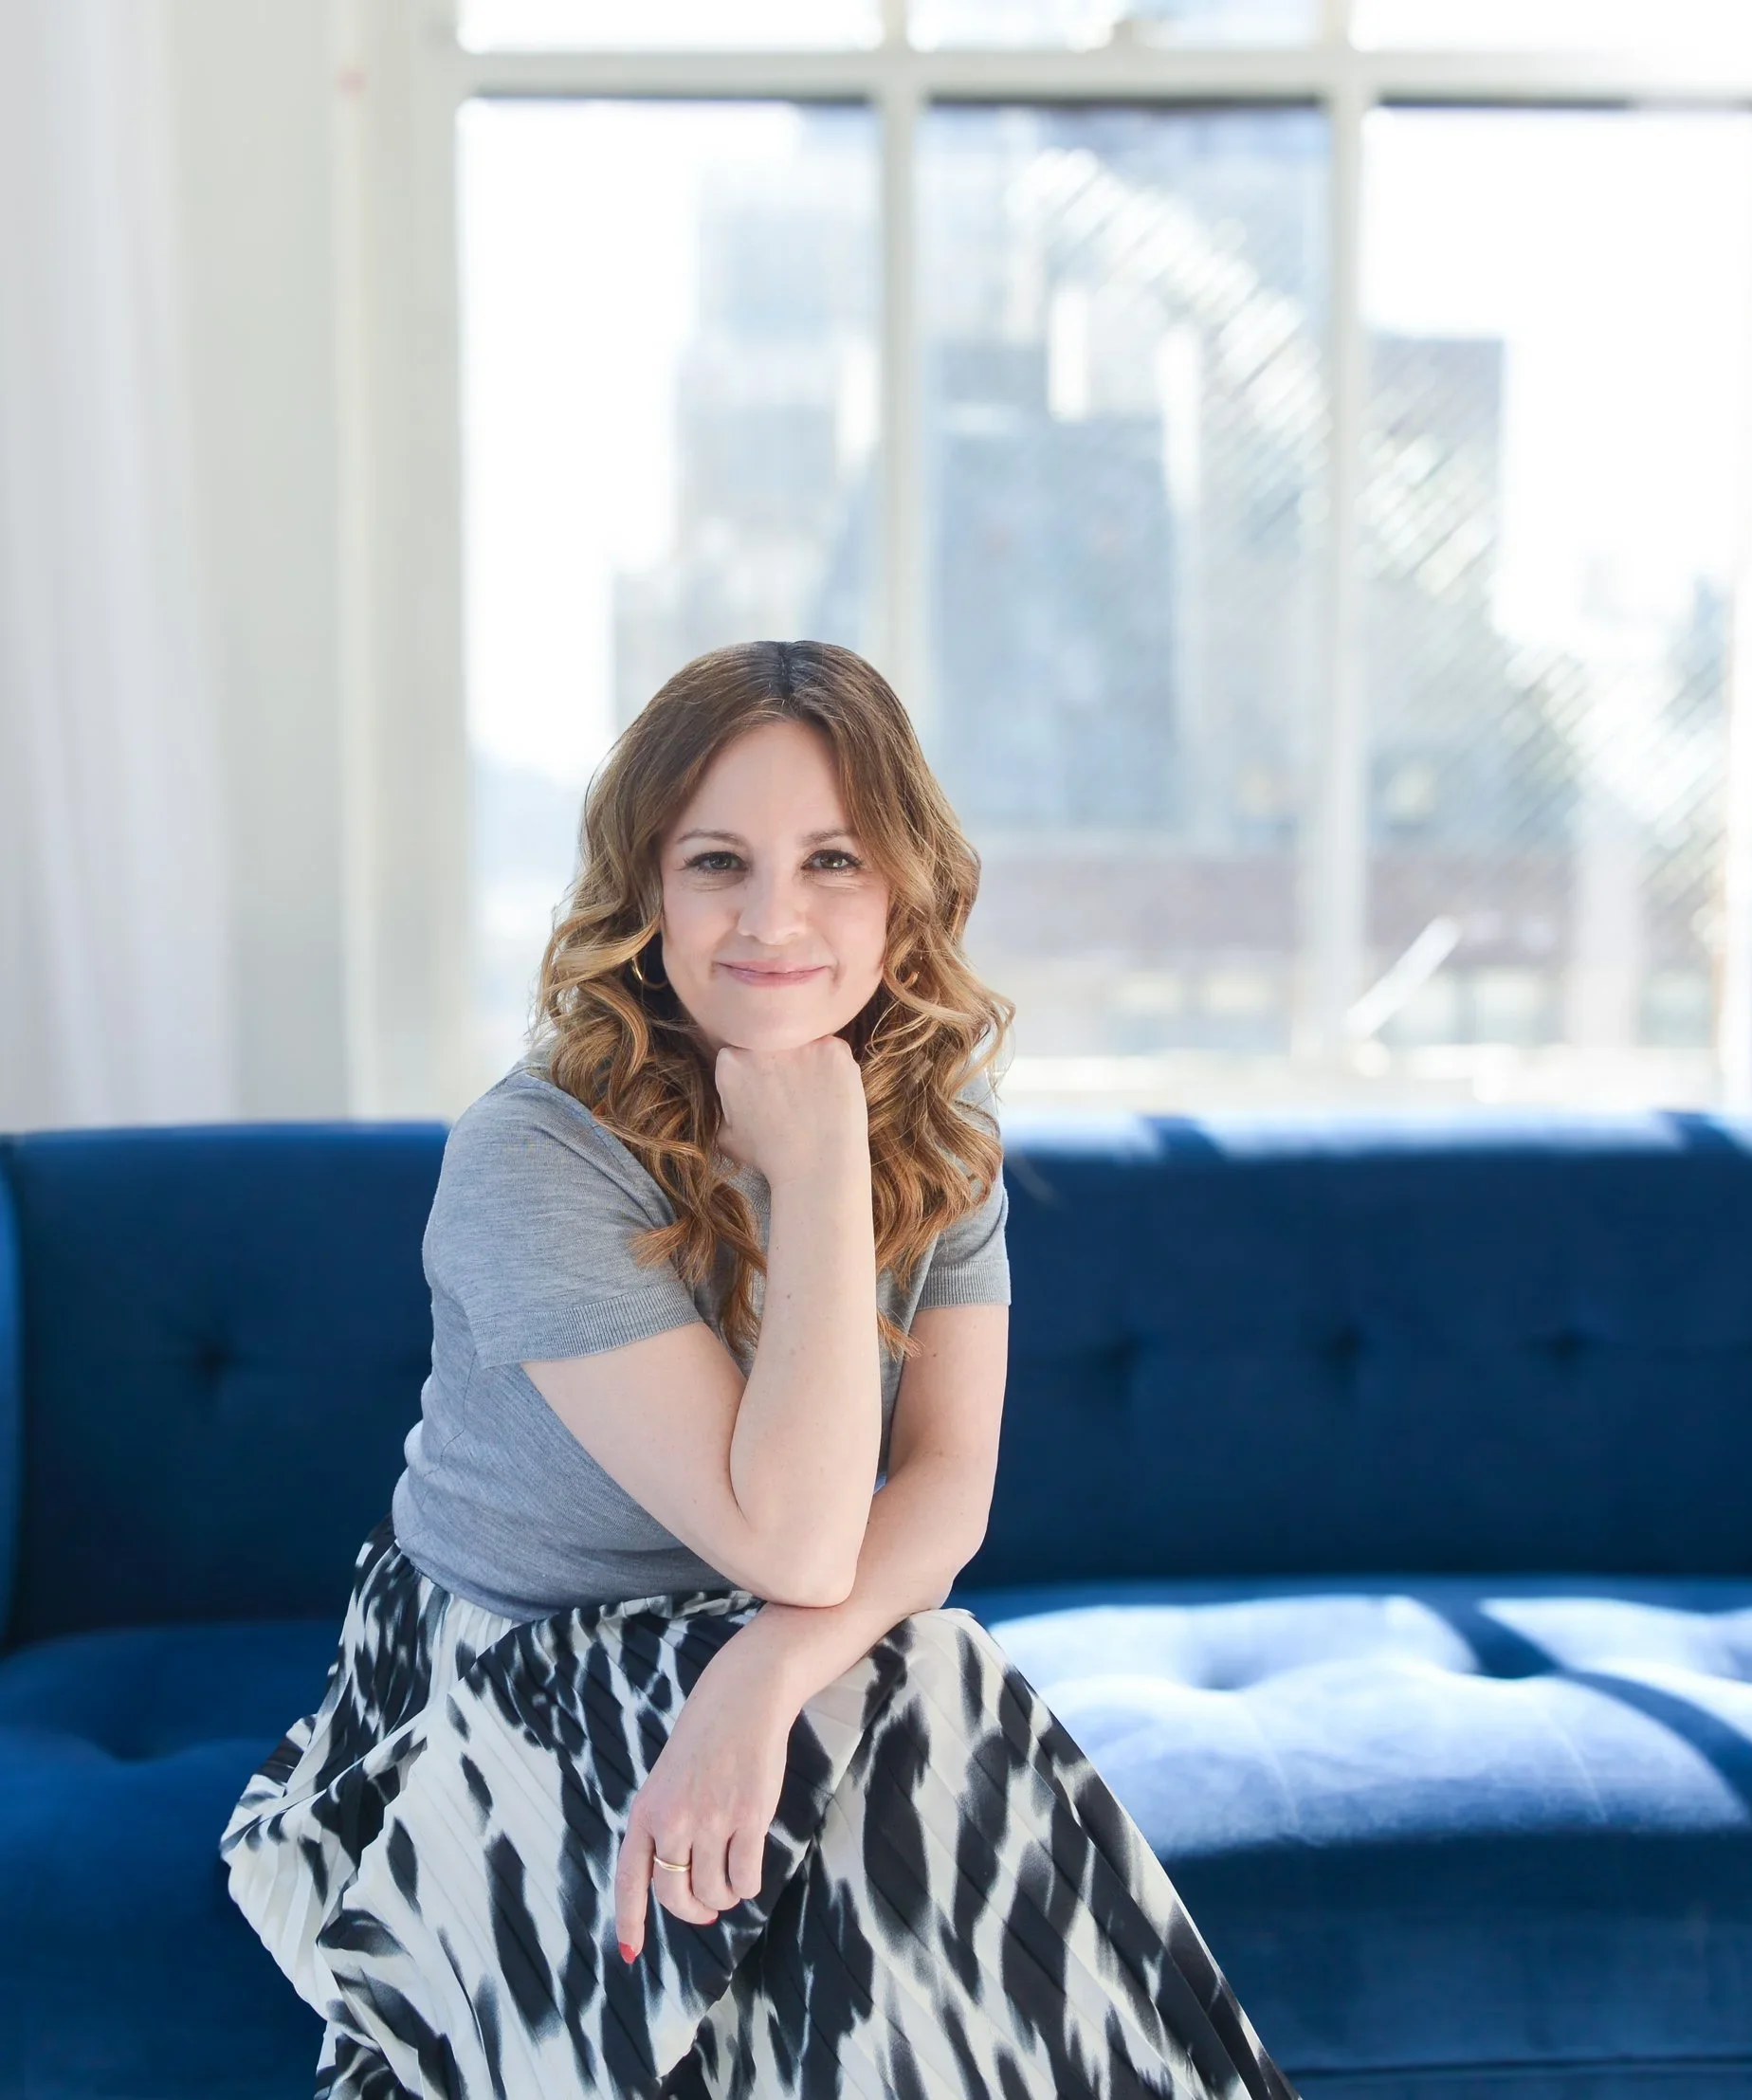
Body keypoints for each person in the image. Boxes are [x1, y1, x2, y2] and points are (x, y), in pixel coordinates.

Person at [220, 640, 1297, 2100]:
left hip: (761, 1639)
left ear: (903, 886)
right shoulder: (534, 1154)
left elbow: (945, 1483)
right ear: (647, 887)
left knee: (916, 1678)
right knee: (920, 1691)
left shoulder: (930, 1111)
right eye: (718, 859)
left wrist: (770, 1666)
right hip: (509, 1674)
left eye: (834, 860)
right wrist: (823, 1161)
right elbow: (795, 1531)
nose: (774, 917)